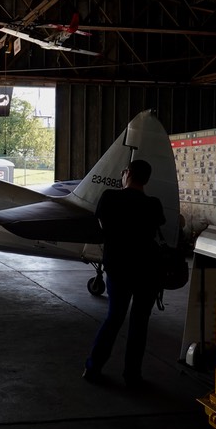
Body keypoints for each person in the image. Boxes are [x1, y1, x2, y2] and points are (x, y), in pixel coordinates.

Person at [83, 159, 165, 387]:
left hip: (118, 267)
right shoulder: (154, 204)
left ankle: (93, 367)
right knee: (140, 323)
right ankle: (132, 374)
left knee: (114, 318)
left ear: (127, 174)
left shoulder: (110, 197)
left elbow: (102, 227)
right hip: (147, 270)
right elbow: (156, 233)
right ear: (146, 179)